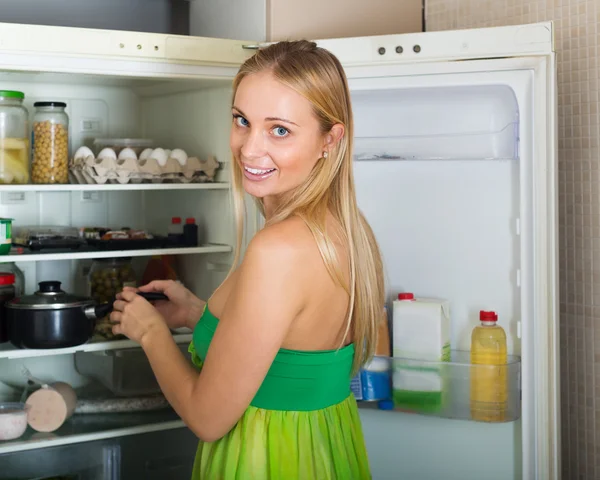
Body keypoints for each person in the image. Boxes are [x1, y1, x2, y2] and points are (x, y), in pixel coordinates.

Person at [110, 39, 385, 479]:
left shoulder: (278, 249)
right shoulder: (348, 228)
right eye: (242, 121)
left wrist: (149, 333)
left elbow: (207, 418)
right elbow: (289, 354)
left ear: (329, 140)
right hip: (322, 451)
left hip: (269, 459)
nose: (249, 149)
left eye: (279, 130)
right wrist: (198, 313)